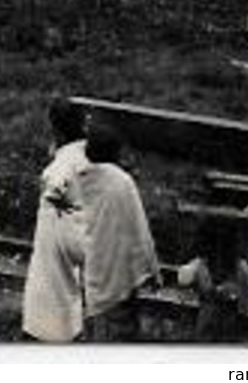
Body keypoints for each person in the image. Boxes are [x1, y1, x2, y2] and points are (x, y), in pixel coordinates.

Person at [77, 122, 159, 340]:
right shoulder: (122, 183)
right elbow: (140, 231)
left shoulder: (80, 178)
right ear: (115, 152)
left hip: (89, 276)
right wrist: (152, 270)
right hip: (119, 282)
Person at [21, 98, 90, 343]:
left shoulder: (59, 170)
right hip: (72, 285)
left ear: (55, 129)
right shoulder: (86, 158)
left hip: (50, 286)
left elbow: (59, 234)